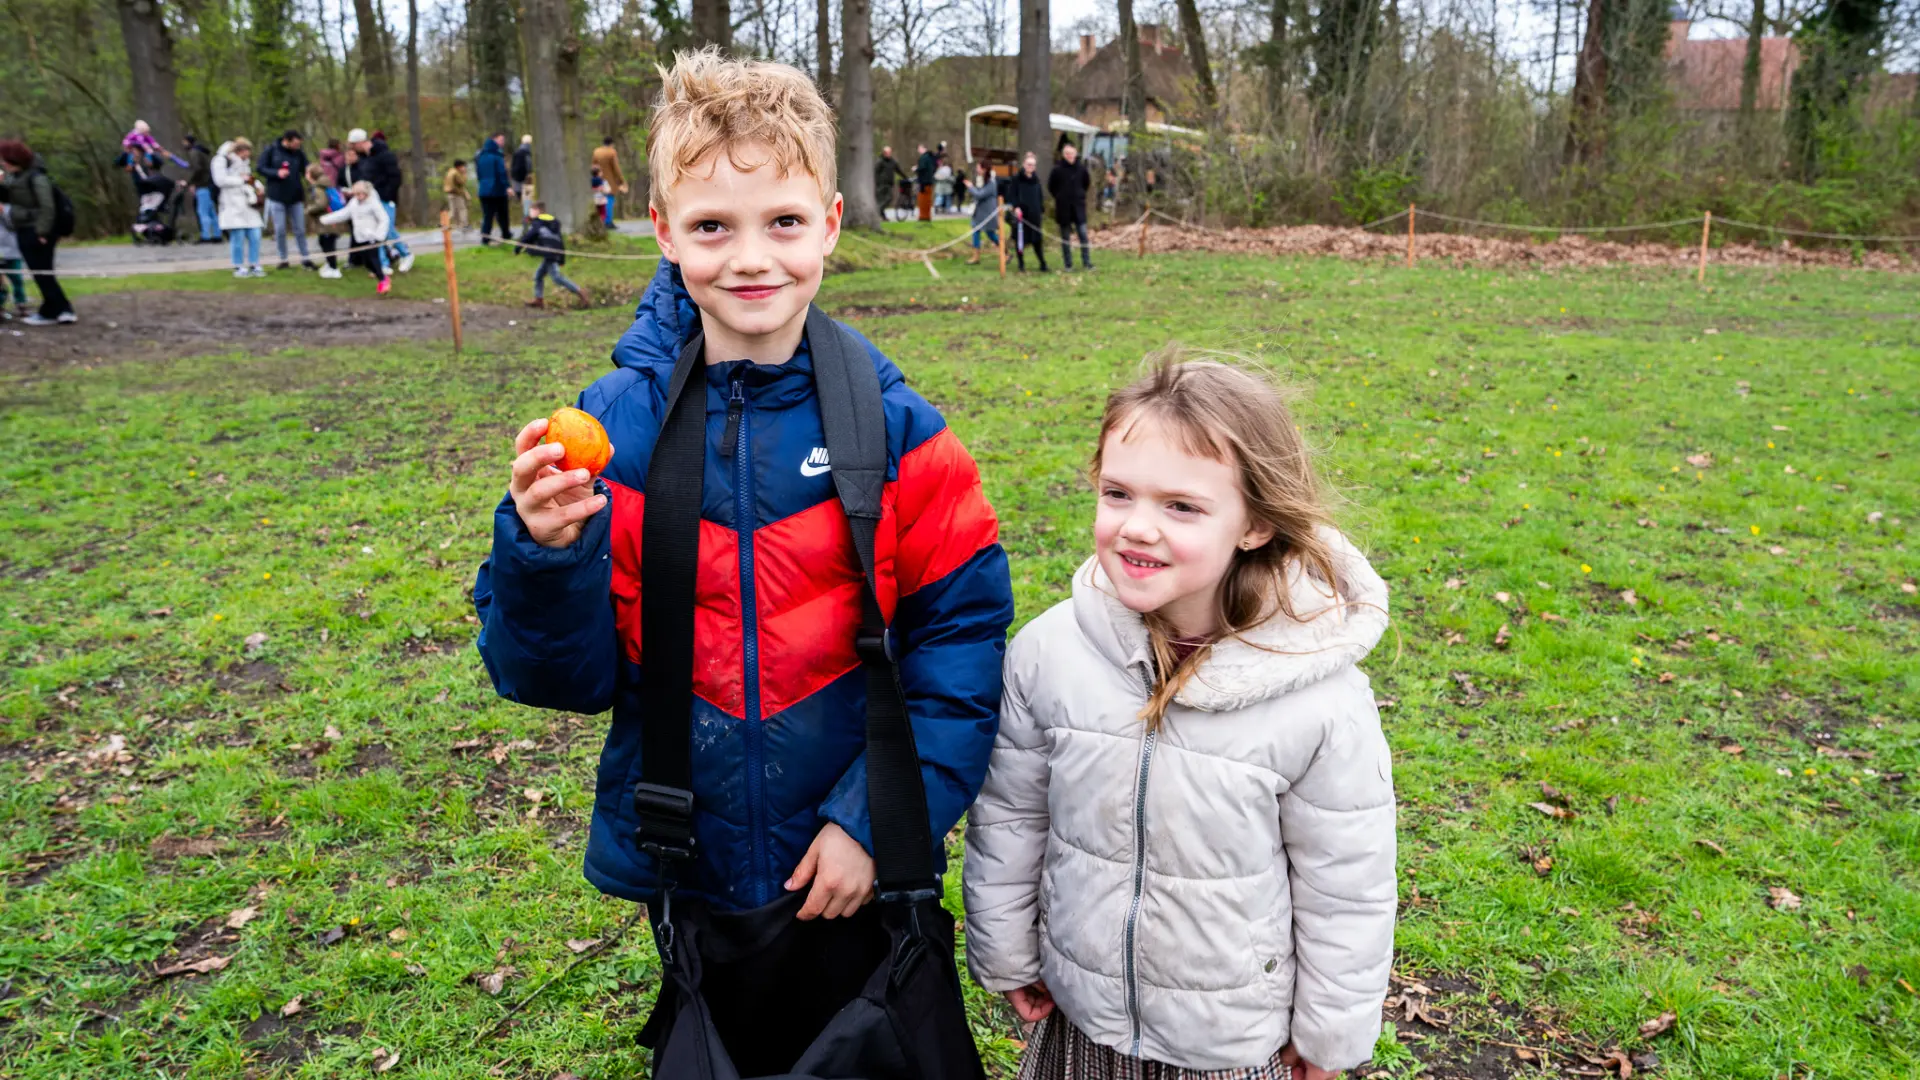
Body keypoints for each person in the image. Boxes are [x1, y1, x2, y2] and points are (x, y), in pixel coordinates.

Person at [472, 48, 1013, 1076]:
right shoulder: (608, 431)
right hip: (694, 875)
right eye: (713, 227)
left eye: (783, 223)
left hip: (856, 876)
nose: (751, 258)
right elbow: (557, 679)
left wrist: (875, 822)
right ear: (665, 231)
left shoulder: (901, 434)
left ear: (831, 227)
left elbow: (963, 645)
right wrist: (545, 554)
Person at [964, 358, 1396, 1080]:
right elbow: (1011, 815)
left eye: (1181, 507)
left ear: (1255, 523)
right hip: (1084, 1019)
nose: (1137, 528)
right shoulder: (1049, 654)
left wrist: (1331, 1035)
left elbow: (1346, 883)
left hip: (1229, 1043)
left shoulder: (1319, 699)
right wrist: (1006, 949)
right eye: (1117, 493)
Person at [0, 139, 75, 325]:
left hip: (37, 231)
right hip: (25, 228)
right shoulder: (16, 178)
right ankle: (53, 307)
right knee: (40, 272)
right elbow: (10, 196)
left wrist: (42, 232)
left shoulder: (37, 178)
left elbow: (47, 207)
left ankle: (61, 309)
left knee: (43, 271)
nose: (2, 163)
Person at [349, 127, 414, 273]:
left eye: (354, 145)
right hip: (370, 200)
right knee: (374, 232)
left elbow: (396, 177)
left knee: (387, 230)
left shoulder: (385, 155)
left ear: (360, 142)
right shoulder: (364, 160)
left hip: (386, 199)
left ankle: (406, 254)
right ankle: (382, 263)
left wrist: (387, 195)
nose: (353, 149)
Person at [319, 180, 394, 294]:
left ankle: (383, 281)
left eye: (361, 194)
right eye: (356, 194)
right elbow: (344, 214)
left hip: (372, 237)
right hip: (360, 237)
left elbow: (384, 220)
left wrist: (379, 235)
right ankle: (382, 277)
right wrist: (326, 219)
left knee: (374, 259)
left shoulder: (373, 203)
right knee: (366, 262)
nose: (358, 197)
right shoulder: (354, 203)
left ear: (366, 193)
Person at [258, 129, 314, 270]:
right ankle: (283, 259)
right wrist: (276, 173)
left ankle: (305, 258)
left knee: (300, 229)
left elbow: (306, 167)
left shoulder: (298, 153)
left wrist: (311, 175)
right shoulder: (271, 151)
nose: (297, 146)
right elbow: (260, 168)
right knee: (280, 230)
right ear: (287, 141)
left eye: (299, 144)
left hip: (295, 196)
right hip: (277, 196)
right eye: (295, 144)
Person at [514, 200, 588, 309]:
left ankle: (580, 291)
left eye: (531, 210)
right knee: (538, 276)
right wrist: (562, 258)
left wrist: (518, 247)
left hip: (549, 253)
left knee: (556, 278)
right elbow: (559, 240)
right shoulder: (552, 221)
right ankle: (538, 300)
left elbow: (530, 236)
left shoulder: (538, 222)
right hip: (553, 252)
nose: (530, 213)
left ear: (537, 211)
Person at [212, 137, 265, 278]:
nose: (248, 154)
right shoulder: (221, 160)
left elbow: (249, 178)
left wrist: (258, 186)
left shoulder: (244, 163)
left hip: (248, 203)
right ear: (240, 150)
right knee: (238, 236)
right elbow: (220, 180)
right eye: (246, 151)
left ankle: (255, 264)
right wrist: (241, 180)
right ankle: (239, 266)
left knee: (255, 234)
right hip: (232, 204)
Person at [1046, 141, 1092, 271]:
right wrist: (1060, 197)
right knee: (1065, 237)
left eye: (1071, 153)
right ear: (1063, 154)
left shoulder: (1081, 169)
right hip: (1063, 208)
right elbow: (1051, 186)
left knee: (1083, 234)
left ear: (1075, 153)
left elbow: (1086, 183)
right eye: (1067, 153)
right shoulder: (1057, 169)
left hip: (1079, 207)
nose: (1069, 155)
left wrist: (1080, 194)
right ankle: (1068, 264)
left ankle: (1087, 262)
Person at [1003, 151, 1047, 272]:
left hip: (1034, 215)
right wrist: (1016, 207)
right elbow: (1011, 195)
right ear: (1024, 164)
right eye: (1028, 164)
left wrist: (1041, 209)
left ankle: (1043, 263)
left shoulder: (1036, 180)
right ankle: (1021, 264)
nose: (1030, 167)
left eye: (1032, 165)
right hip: (1021, 216)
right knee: (1020, 240)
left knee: (1037, 241)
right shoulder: (1016, 179)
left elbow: (1039, 196)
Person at [305, 162, 347, 278]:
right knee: (324, 242)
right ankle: (329, 264)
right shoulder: (326, 184)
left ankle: (333, 269)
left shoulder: (318, 188)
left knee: (328, 244)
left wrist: (309, 209)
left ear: (310, 175)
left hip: (327, 221)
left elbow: (321, 204)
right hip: (329, 220)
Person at [474, 132, 513, 245]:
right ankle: (506, 235)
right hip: (497, 190)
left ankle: (485, 237)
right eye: (501, 140)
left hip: (484, 190)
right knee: (503, 214)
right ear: (494, 140)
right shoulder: (497, 156)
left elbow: (479, 173)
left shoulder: (480, 155)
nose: (503, 142)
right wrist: (507, 187)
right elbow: (501, 173)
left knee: (488, 215)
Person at [183, 133, 219, 243]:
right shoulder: (203, 153)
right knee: (211, 211)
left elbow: (197, 169)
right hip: (209, 185)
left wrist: (190, 182)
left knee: (203, 212)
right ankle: (217, 234)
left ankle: (206, 235)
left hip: (202, 186)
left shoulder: (194, 153)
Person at [965, 161, 1000, 265]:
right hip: (979, 212)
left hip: (988, 213)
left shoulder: (991, 183)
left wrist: (971, 187)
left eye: (978, 167)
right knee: (976, 231)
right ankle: (976, 256)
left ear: (984, 169)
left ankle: (1005, 252)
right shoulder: (981, 180)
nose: (977, 170)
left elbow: (980, 194)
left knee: (991, 234)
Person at [0, 202, 30, 320]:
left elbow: (15, 225)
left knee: (16, 278)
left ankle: (21, 303)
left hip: (11, 250)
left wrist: (3, 213)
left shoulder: (11, 207)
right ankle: (1, 306)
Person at [592, 136, 626, 227]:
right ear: (611, 144)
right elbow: (616, 168)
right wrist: (621, 180)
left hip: (598, 180)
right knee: (609, 200)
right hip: (610, 181)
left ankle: (601, 221)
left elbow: (593, 166)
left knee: (600, 201)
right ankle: (608, 221)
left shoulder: (596, 152)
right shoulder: (612, 152)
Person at [873, 145, 907, 222]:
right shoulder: (880, 161)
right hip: (881, 184)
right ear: (884, 153)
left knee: (889, 198)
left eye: (889, 152)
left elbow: (898, 170)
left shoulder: (892, 162)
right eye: (887, 152)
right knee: (881, 200)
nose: (888, 154)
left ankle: (878, 211)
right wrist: (877, 182)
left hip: (889, 184)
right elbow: (875, 172)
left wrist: (905, 177)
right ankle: (882, 216)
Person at [444, 158, 471, 231]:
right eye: (463, 166)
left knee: (453, 211)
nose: (464, 168)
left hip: (450, 193)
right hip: (456, 194)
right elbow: (462, 182)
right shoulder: (456, 173)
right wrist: (464, 173)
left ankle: (449, 223)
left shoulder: (450, 171)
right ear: (459, 166)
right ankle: (464, 224)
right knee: (462, 209)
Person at [914, 142, 936, 221]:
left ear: (923, 148)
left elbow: (922, 168)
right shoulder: (931, 157)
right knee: (928, 200)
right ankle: (927, 216)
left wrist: (916, 169)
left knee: (922, 200)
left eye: (919, 148)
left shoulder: (924, 157)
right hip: (929, 181)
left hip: (924, 182)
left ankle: (923, 216)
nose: (918, 150)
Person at [510, 134, 533, 203]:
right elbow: (528, 166)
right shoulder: (527, 152)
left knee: (523, 198)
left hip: (517, 179)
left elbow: (513, 166)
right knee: (527, 198)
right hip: (525, 179)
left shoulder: (517, 152)